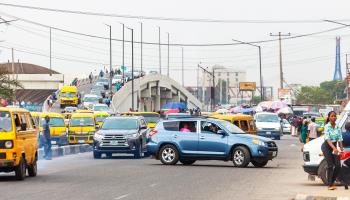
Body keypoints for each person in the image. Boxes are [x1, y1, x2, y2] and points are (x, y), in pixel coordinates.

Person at [321, 111, 344, 190]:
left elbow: (340, 139)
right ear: (329, 117)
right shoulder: (327, 126)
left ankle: (332, 181)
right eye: (332, 116)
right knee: (330, 165)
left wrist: (341, 149)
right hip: (326, 147)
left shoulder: (338, 127)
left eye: (335, 116)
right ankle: (329, 184)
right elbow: (327, 139)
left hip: (334, 146)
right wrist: (334, 148)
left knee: (338, 165)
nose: (334, 117)